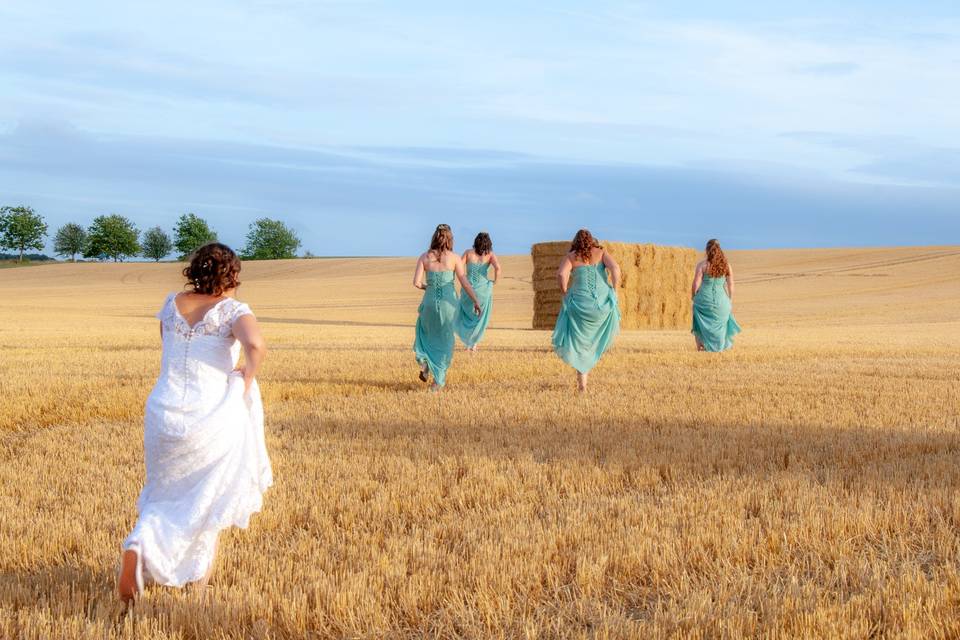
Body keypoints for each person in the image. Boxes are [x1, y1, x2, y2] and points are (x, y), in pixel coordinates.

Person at [118, 243, 272, 603]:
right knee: (209, 497)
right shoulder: (233, 309)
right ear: (231, 274)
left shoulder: (172, 306)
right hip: (209, 413)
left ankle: (139, 545)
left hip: (162, 411)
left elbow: (168, 353)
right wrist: (245, 379)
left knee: (163, 493)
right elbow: (257, 346)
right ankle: (197, 588)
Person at [413, 225, 482, 390]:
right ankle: (437, 382)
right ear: (450, 239)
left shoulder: (424, 257)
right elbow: (464, 282)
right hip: (448, 305)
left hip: (429, 303)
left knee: (425, 334)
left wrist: (429, 288)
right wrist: (475, 300)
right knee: (445, 342)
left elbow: (416, 283)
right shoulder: (455, 258)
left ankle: (424, 363)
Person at [552, 229, 621, 391]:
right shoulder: (601, 253)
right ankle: (588, 366)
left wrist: (565, 293)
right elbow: (616, 269)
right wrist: (615, 291)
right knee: (592, 341)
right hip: (601, 305)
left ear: (576, 241)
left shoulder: (571, 256)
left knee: (578, 343)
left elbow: (562, 274)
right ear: (591, 240)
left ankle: (582, 383)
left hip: (579, 305)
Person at [691, 238, 741, 352]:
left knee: (697, 315)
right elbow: (730, 284)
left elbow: (695, 284)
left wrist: (694, 296)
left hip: (704, 300)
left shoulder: (702, 265)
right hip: (722, 300)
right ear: (720, 250)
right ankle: (720, 347)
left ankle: (701, 346)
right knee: (723, 322)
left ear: (707, 250)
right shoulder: (727, 266)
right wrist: (730, 300)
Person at [455, 232, 501, 351]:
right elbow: (498, 268)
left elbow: (458, 267)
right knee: (479, 317)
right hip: (483, 290)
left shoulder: (468, 253)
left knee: (466, 315)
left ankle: (468, 343)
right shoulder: (490, 254)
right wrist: (494, 282)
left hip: (467, 289)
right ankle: (473, 343)